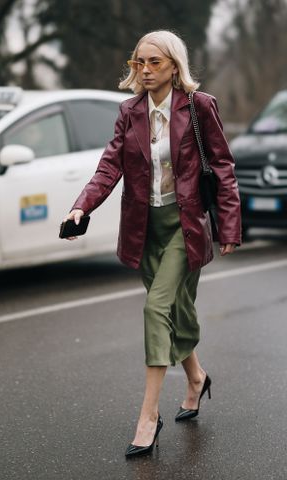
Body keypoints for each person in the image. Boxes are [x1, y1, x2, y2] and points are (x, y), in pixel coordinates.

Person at [62, 30, 241, 458]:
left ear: (174, 66)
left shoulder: (199, 107)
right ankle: (197, 378)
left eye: (154, 62)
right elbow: (110, 166)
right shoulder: (129, 112)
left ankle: (147, 416)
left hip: (186, 225)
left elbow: (222, 165)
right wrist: (80, 207)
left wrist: (230, 225)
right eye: (138, 62)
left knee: (156, 309)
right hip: (144, 228)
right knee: (173, 312)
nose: (144, 70)